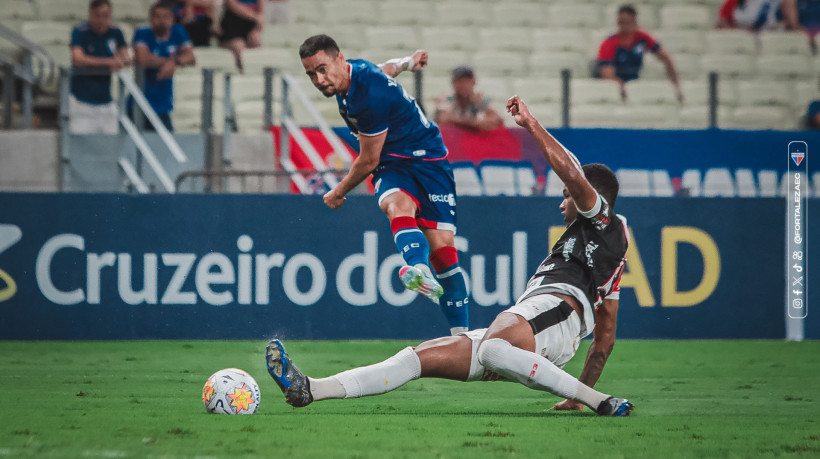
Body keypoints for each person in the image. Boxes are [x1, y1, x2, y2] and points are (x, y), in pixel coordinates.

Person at [264, 95, 633, 417]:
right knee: (416, 358)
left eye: (567, 195)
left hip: (556, 314)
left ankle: (601, 400)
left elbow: (570, 171)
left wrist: (531, 124)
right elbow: (605, 339)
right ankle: (311, 389)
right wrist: (575, 401)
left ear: (589, 195)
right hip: (537, 327)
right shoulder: (606, 251)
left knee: (492, 349)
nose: (561, 201)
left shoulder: (605, 222)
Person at [298, 34, 471, 336]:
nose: (318, 79)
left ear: (340, 59)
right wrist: (408, 62)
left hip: (429, 159)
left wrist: (338, 192)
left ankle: (463, 339)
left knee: (443, 251)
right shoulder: (356, 72)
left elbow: (366, 160)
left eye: (322, 69)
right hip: (392, 164)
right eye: (312, 73)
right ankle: (417, 268)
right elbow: (385, 68)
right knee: (395, 204)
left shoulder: (366, 98)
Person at [596, 4, 683, 102]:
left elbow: (666, 58)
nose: (624, 26)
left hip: (634, 83)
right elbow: (607, 76)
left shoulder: (642, 38)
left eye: (627, 22)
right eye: (621, 22)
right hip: (615, 88)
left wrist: (676, 85)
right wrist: (626, 89)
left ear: (634, 21)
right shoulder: (609, 43)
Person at [132, 1, 196, 132]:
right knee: (134, 148)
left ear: (172, 19)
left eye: (166, 17)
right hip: (139, 103)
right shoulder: (142, 33)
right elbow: (142, 58)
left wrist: (172, 63)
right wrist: (169, 62)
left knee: (164, 147)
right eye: (158, 16)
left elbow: (191, 57)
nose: (162, 21)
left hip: (163, 105)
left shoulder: (178, 32)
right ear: (151, 18)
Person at [69, 0, 131, 134]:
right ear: (90, 14)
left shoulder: (115, 33)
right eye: (97, 15)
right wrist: (109, 62)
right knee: (81, 144)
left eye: (105, 15)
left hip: (105, 100)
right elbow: (78, 59)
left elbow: (125, 58)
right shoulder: (80, 31)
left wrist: (119, 61)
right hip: (82, 101)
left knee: (111, 141)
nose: (101, 20)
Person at [433, 66, 503, 132]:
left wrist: (466, 123)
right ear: (454, 83)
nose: (464, 85)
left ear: (474, 82)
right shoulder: (446, 97)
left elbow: (498, 120)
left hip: (468, 139)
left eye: (467, 81)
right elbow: (444, 119)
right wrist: (477, 124)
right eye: (460, 81)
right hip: (450, 138)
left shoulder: (478, 98)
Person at [219, 0, 264, 72]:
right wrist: (254, 16)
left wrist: (257, 29)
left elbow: (261, 14)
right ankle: (242, 76)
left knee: (257, 45)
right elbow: (232, 4)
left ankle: (255, 77)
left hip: (251, 25)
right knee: (239, 48)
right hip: (233, 25)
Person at [716, 0, 790, 30]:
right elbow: (721, 21)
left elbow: (784, 23)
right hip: (742, 40)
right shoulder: (734, 2)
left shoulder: (775, 3)